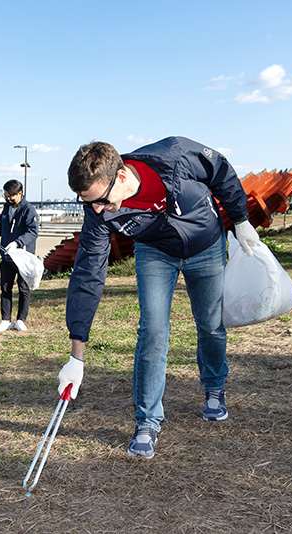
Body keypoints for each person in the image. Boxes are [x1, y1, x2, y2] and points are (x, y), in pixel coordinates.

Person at [57, 137, 260, 459]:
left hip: (205, 245)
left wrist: (241, 219)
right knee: (153, 331)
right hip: (155, 252)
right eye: (87, 203)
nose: (96, 209)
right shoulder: (97, 212)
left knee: (210, 324)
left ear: (120, 177)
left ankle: (214, 388)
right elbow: (87, 275)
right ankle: (147, 422)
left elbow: (219, 169)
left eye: (101, 199)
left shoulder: (174, 156)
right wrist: (76, 355)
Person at [0, 179, 39, 333]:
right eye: (5, 196)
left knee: (23, 288)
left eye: (10, 196)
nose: (8, 199)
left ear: (20, 194)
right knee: (5, 288)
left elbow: (33, 232)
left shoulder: (28, 210)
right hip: (6, 255)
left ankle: (21, 320)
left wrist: (18, 242)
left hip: (23, 256)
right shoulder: (6, 208)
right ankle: (5, 320)